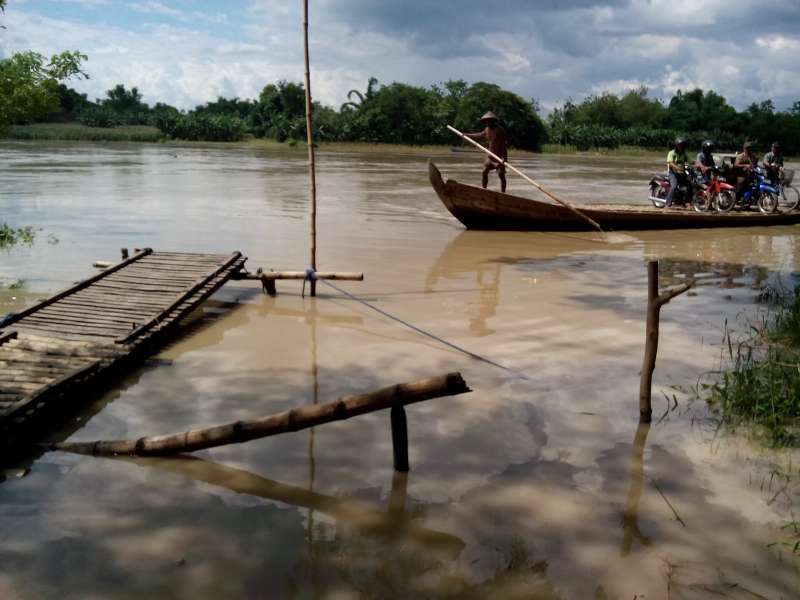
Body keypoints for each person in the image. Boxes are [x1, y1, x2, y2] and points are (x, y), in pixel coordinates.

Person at [465, 111, 508, 192]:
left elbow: (504, 146)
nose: (487, 122)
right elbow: (479, 135)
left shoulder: (500, 130)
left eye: (489, 120)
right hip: (490, 157)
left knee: (501, 175)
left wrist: (504, 159)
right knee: (484, 171)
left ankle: (503, 193)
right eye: (486, 121)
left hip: (498, 158)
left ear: (493, 120)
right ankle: (484, 190)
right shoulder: (487, 129)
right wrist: (466, 135)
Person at [665, 138, 690, 208]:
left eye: (682, 146)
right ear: (676, 146)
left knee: (689, 184)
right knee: (674, 186)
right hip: (673, 173)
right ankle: (667, 203)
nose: (680, 147)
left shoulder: (684, 154)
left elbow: (691, 161)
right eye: (679, 146)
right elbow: (670, 162)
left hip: (682, 173)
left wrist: (698, 165)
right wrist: (677, 167)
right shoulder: (671, 153)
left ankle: (685, 202)